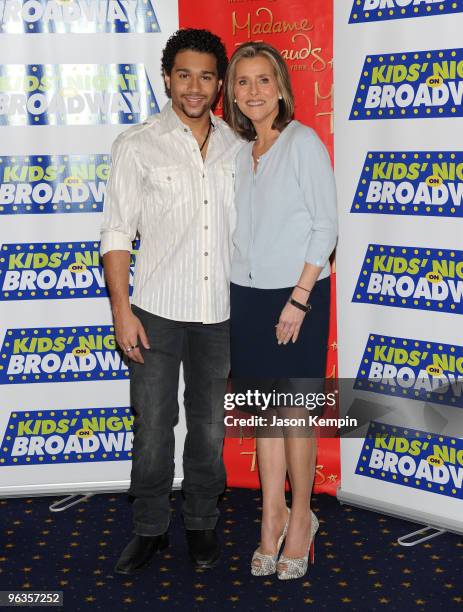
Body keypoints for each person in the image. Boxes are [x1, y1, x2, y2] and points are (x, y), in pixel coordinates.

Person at [100, 28, 241, 575]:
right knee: (153, 425)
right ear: (167, 77)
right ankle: (150, 528)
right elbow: (116, 234)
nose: (195, 86)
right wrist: (121, 311)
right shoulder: (136, 145)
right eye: (184, 74)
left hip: (222, 314)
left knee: (209, 428)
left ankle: (202, 522)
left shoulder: (238, 145)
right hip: (155, 309)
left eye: (206, 75)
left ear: (219, 83)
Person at [223, 42, 338, 580]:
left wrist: (299, 297)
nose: (253, 92)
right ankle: (271, 517)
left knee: (293, 416)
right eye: (242, 82)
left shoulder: (303, 143)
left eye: (262, 80)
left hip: (295, 297)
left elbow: (325, 226)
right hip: (244, 297)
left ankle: (302, 520)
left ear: (282, 86)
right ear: (232, 91)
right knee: (265, 417)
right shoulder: (238, 152)